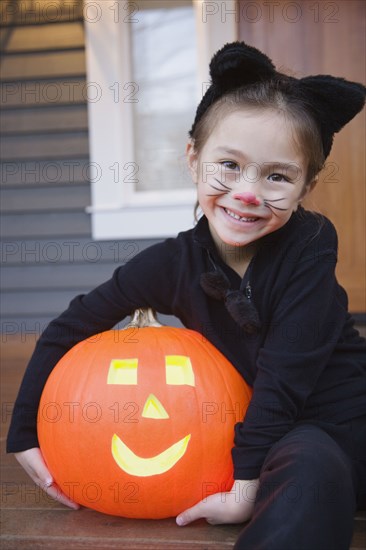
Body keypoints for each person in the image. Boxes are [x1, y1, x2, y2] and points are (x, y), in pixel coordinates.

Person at [7, 42, 366, 549]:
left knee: (307, 467)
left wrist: (244, 491)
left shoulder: (310, 245)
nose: (248, 193)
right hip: (259, 432)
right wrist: (24, 432)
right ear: (194, 159)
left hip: (334, 418)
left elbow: (285, 376)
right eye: (229, 166)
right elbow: (72, 325)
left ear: (305, 188)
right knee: (292, 465)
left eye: (277, 176)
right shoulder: (172, 264)